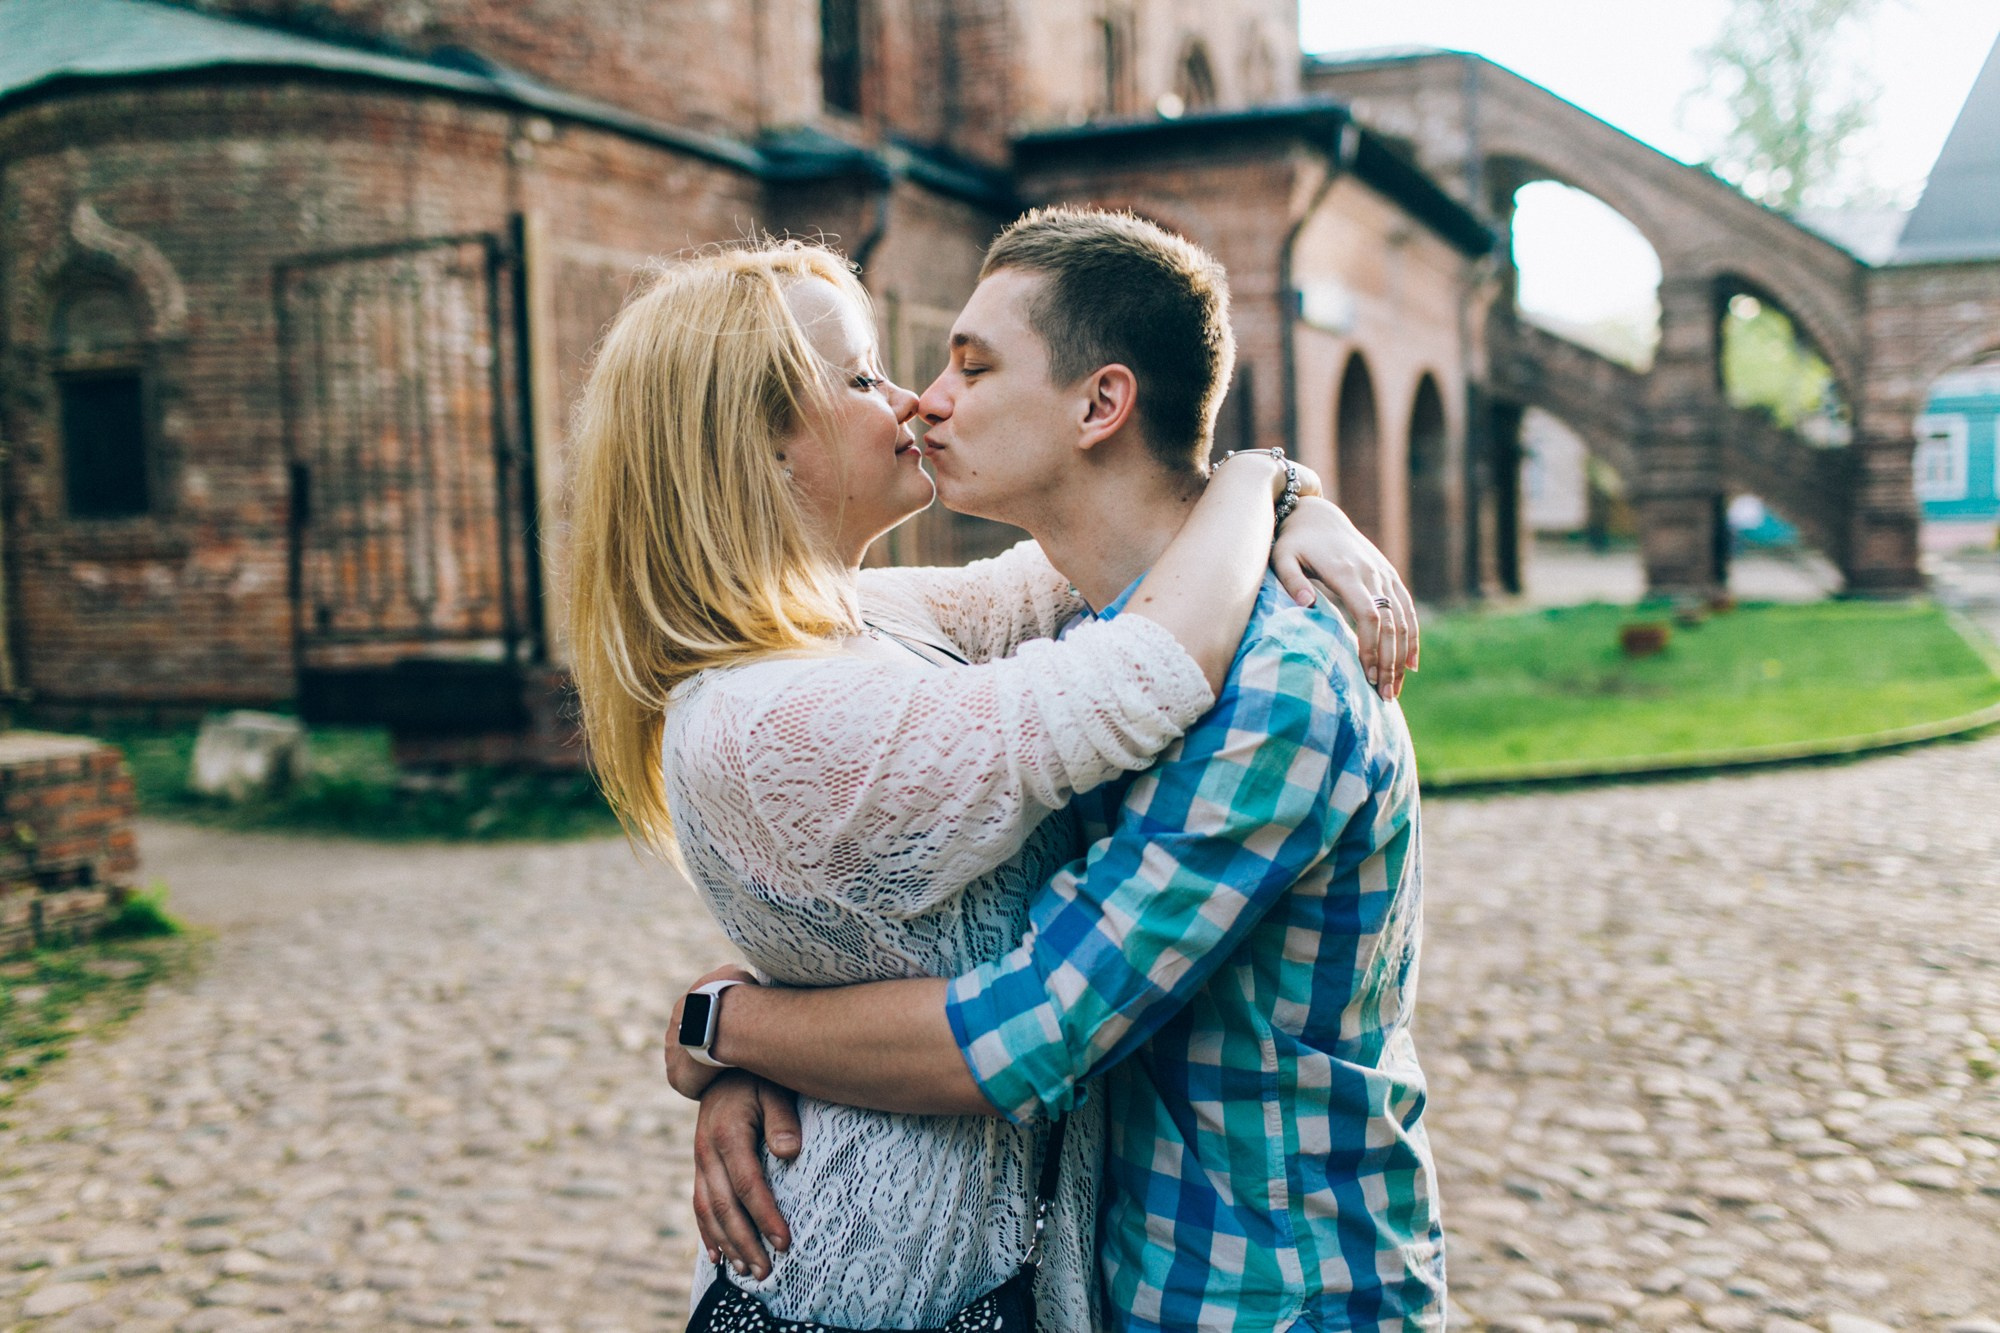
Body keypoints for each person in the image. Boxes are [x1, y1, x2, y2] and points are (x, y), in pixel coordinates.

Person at [565, 230, 1416, 1329]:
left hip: (1265, 1287)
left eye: (964, 365)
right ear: (763, 445)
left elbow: (1067, 594)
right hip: (894, 1293)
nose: (916, 400)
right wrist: (1260, 478)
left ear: (1099, 405)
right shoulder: (770, 701)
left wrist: (725, 1024)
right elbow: (1127, 672)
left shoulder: (880, 622)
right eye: (866, 375)